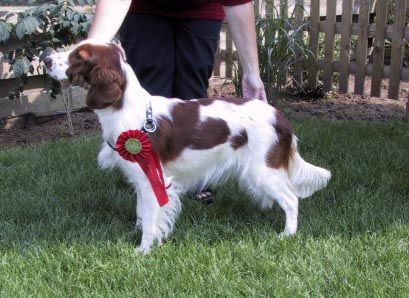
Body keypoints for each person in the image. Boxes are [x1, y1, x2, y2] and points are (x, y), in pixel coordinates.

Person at [86, 0, 267, 202]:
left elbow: (238, 2)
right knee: (149, 92)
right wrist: (92, 49)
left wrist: (252, 72)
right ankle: (150, 177)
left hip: (202, 8)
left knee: (193, 92)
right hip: (144, 10)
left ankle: (196, 177)